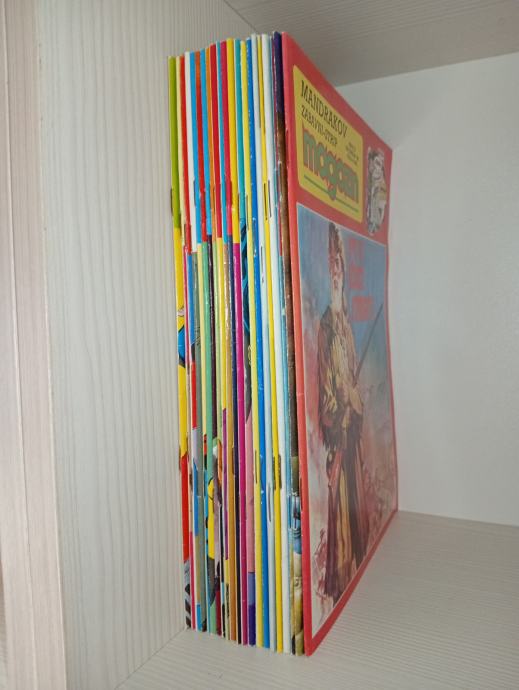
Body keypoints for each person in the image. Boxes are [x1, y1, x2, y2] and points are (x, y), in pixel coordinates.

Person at [318, 223, 368, 604]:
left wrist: (354, 399)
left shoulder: (348, 330)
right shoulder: (325, 329)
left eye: (340, 263)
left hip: (353, 445)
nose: (335, 270)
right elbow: (325, 400)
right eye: (331, 262)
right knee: (341, 541)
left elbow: (355, 387)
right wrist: (340, 407)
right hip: (339, 442)